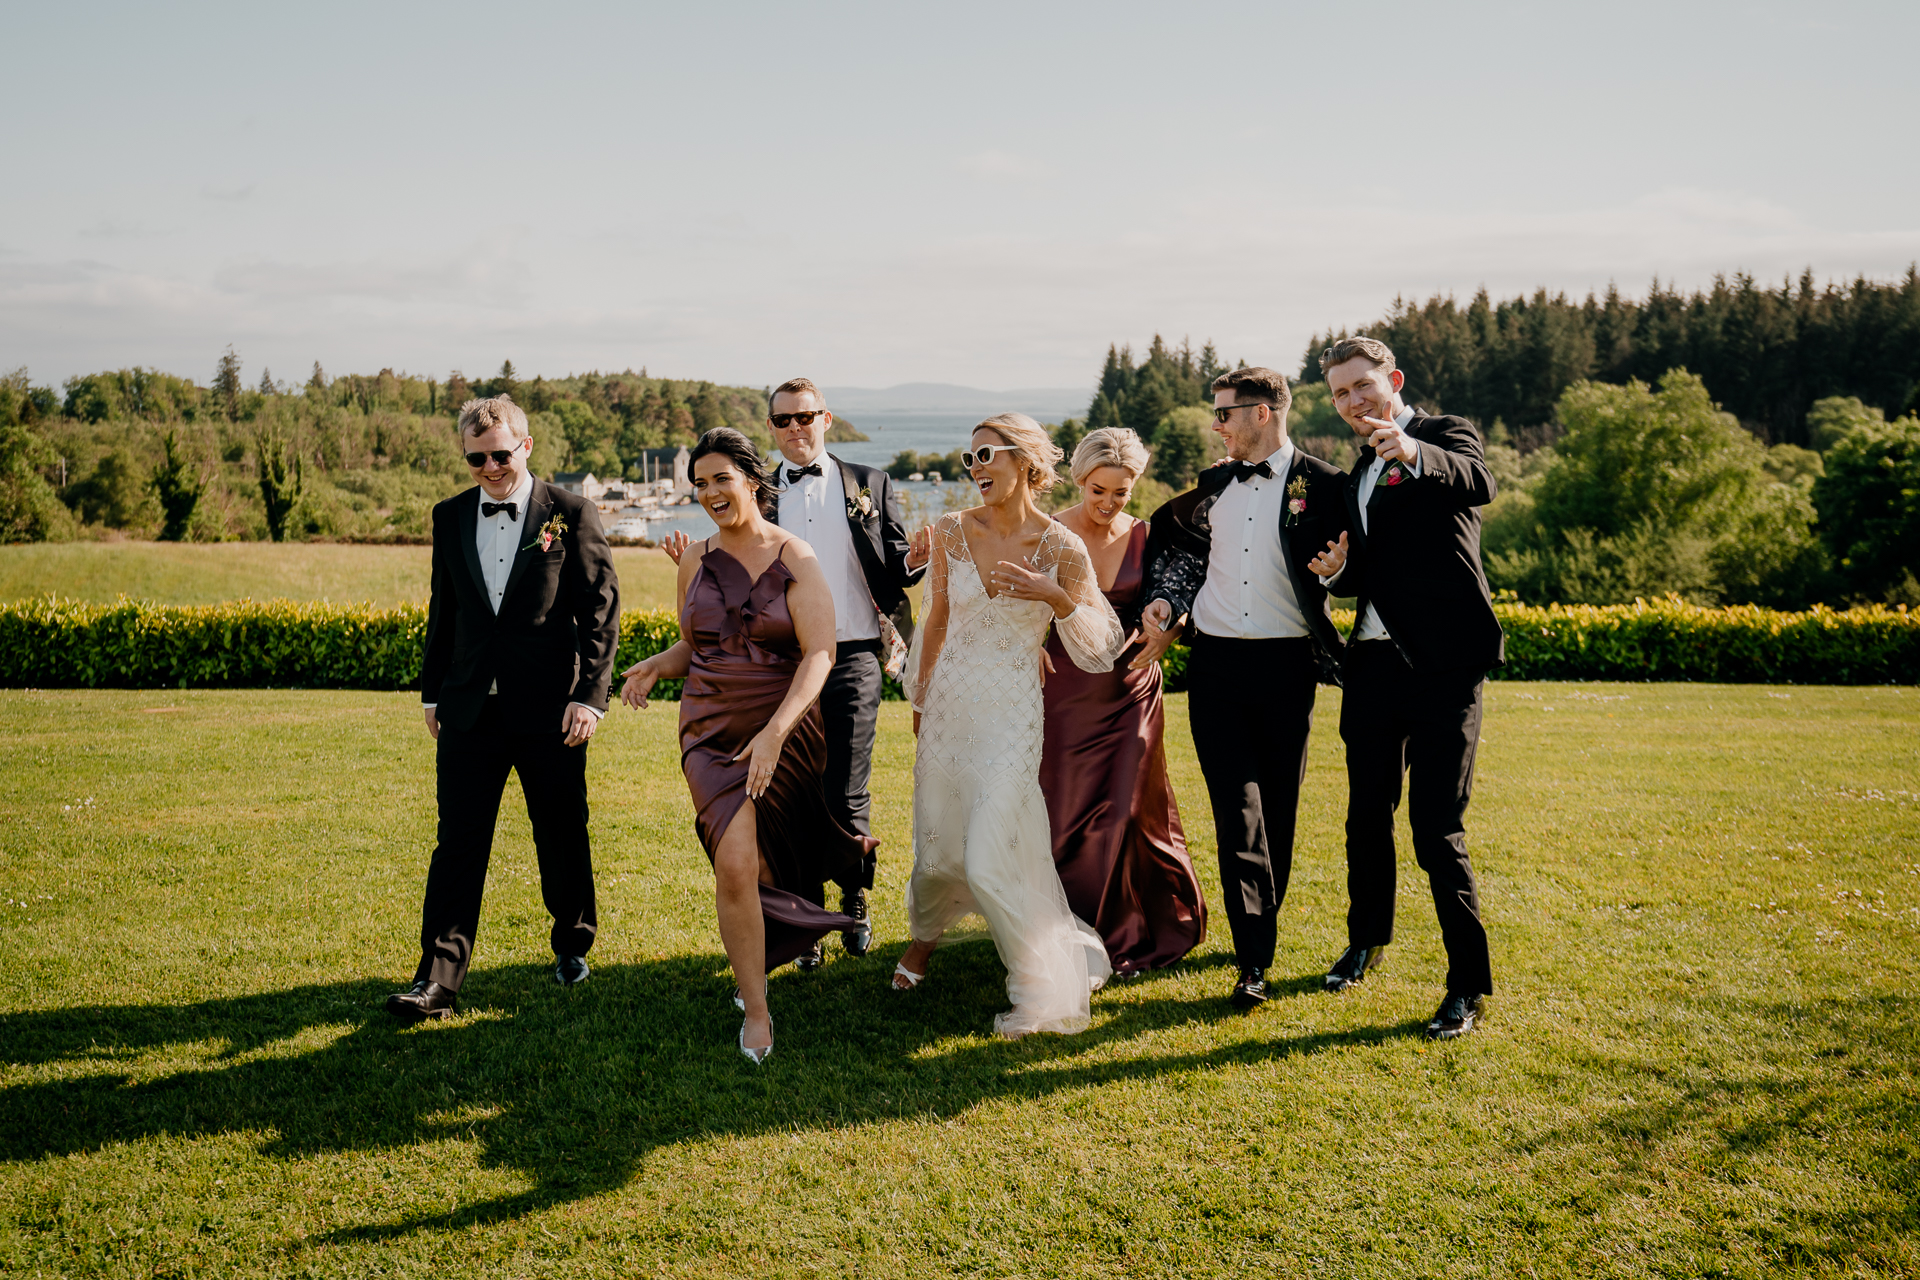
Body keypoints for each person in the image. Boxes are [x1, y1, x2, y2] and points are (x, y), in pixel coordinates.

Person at [620, 428, 871, 1063]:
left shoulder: (798, 556)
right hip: (708, 730)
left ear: (752, 481)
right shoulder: (693, 560)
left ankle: (766, 946)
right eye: (699, 484)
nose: (709, 493)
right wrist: (655, 664)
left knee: (770, 861)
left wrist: (775, 733)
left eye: (720, 480)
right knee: (734, 863)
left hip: (781, 725)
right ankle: (756, 1011)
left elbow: (820, 654)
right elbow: (697, 645)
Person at [663, 377, 927, 968]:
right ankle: (803, 916)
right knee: (787, 790)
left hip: (852, 652)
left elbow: (897, 560)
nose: (794, 429)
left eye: (804, 417)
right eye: (781, 421)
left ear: (826, 418)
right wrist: (695, 569)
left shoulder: (868, 483)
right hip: (774, 666)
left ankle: (854, 897)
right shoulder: (758, 492)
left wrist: (917, 559)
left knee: (845, 788)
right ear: (771, 428)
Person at [387, 394, 620, 1023]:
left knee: (561, 833)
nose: (490, 468)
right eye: (475, 459)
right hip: (469, 711)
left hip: (551, 710)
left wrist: (590, 699)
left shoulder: (570, 513)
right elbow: (446, 609)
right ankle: (436, 979)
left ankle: (573, 945)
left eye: (499, 453)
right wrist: (434, 691)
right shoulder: (449, 516)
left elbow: (601, 613)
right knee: (457, 843)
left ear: (526, 445)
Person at [896, 413, 1125, 1037]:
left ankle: (1038, 981)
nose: (975, 468)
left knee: (989, 853)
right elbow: (937, 619)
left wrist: (1053, 596)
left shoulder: (1062, 546)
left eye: (987, 454)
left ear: (1026, 462)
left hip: (1014, 711)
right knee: (939, 846)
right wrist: (920, 700)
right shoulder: (948, 531)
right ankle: (923, 942)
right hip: (950, 704)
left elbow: (1100, 644)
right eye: (970, 458)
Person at [1309, 336, 1504, 1040]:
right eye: (1340, 394)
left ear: (1391, 380)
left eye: (1363, 386)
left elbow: (1477, 482)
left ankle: (1465, 985)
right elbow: (1377, 571)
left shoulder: (1443, 437)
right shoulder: (1359, 470)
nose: (1354, 401)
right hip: (1371, 668)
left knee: (1435, 828)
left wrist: (1413, 453)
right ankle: (1366, 940)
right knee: (1366, 816)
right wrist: (1338, 573)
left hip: (1444, 668)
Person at [1140, 367, 1351, 1011]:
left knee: (1278, 813)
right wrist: (1163, 600)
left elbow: (1360, 565)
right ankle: (1254, 957)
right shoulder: (1212, 488)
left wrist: (1344, 573)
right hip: (1216, 671)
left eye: (1225, 414)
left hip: (1289, 669)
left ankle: (1256, 926)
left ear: (1263, 413)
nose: (1217, 426)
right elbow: (1178, 555)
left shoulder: (1327, 486)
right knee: (1238, 812)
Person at [1038, 427, 1205, 977]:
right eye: (1098, 491)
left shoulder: (1150, 535)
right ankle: (1067, 932)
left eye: (1121, 493)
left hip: (1131, 688)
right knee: (1063, 815)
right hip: (1062, 693)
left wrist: (1166, 623)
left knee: (1127, 810)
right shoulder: (1047, 533)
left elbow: (1170, 594)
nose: (1109, 504)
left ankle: (1128, 930)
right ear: (1080, 481)